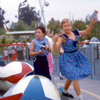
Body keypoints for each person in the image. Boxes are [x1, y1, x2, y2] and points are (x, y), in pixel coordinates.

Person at [53, 17, 96, 100]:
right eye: (65, 26)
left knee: (71, 76)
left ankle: (65, 92)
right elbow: (56, 48)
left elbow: (86, 31)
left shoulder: (75, 33)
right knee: (74, 76)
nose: (67, 27)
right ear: (62, 27)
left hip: (76, 56)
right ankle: (80, 98)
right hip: (67, 58)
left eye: (69, 25)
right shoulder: (62, 37)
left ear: (71, 26)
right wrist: (54, 41)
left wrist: (92, 23)